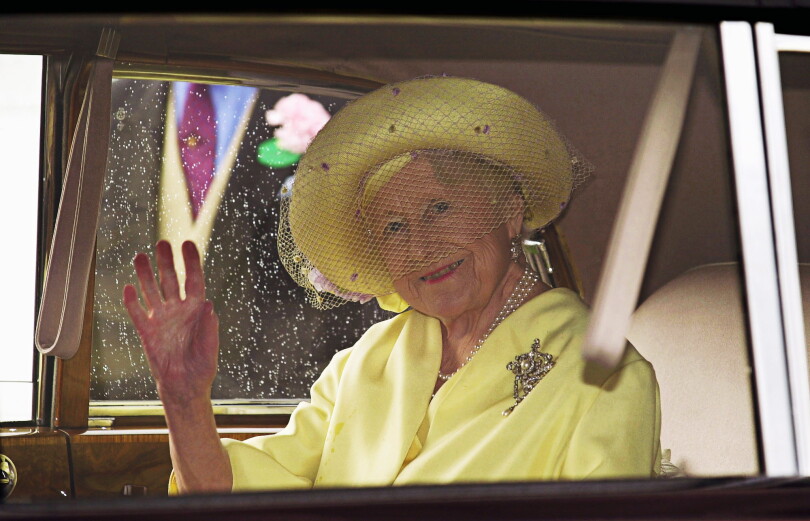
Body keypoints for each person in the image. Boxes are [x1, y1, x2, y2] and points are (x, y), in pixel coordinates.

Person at [123, 76, 662, 493]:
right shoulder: (368, 360)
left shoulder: (604, 377)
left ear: (510, 208)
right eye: (394, 228)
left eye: (441, 208)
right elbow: (236, 492)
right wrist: (185, 399)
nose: (422, 245)